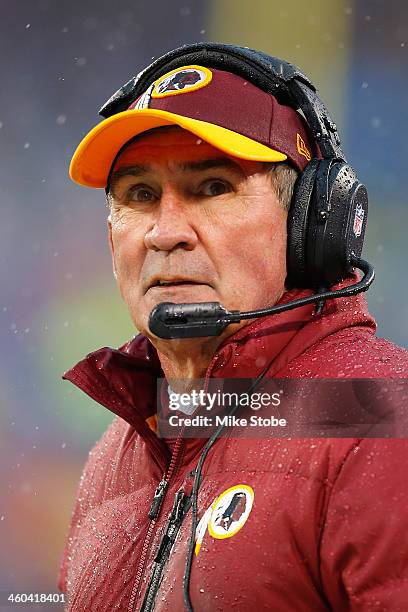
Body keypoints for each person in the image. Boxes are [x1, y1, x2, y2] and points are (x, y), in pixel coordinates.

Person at [57, 43, 408, 611]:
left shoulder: (385, 417)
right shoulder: (115, 454)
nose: (164, 232)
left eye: (213, 187)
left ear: (313, 225)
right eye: (139, 195)